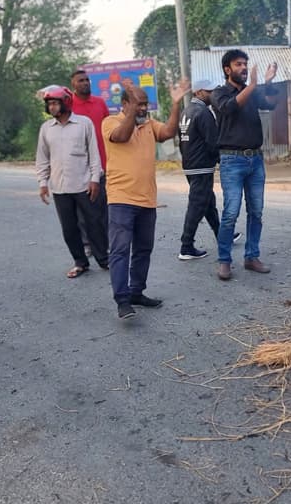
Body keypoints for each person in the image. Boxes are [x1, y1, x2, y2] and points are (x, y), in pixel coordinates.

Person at [102, 78, 190, 320]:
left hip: (147, 200)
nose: (143, 109)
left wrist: (175, 103)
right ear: (125, 105)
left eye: (145, 105)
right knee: (120, 251)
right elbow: (121, 136)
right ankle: (122, 301)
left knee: (143, 249)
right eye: (138, 105)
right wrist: (131, 110)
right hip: (121, 199)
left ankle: (136, 292)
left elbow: (169, 132)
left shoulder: (149, 125)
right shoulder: (110, 122)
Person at [211, 49, 279, 281]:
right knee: (230, 212)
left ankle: (251, 256)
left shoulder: (253, 91)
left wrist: (268, 83)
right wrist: (253, 85)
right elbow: (229, 108)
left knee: (256, 211)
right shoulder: (219, 93)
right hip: (231, 160)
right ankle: (224, 261)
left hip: (256, 160)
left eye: (245, 63)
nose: (243, 67)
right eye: (238, 64)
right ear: (227, 69)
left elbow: (270, 104)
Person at [35, 86, 109, 278]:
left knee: (95, 223)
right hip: (60, 187)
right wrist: (43, 182)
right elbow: (42, 158)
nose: (51, 107)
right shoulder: (46, 129)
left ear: (65, 103)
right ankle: (80, 262)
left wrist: (95, 179)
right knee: (69, 228)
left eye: (54, 103)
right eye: (49, 104)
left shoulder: (84, 124)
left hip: (84, 184)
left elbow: (94, 154)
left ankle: (104, 259)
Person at [176, 78, 242, 260]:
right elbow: (213, 142)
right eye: (209, 91)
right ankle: (186, 246)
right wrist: (223, 161)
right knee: (197, 204)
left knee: (207, 203)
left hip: (191, 164)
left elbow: (180, 140)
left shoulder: (186, 111)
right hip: (202, 166)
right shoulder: (203, 112)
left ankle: (223, 236)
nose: (212, 94)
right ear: (198, 93)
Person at [70, 70, 111, 248]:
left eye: (87, 80)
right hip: (78, 166)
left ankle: (106, 242)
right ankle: (87, 244)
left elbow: (109, 129)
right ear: (73, 84)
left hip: (101, 163)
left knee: (103, 205)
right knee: (82, 209)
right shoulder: (69, 105)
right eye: (81, 81)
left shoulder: (100, 103)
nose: (85, 83)